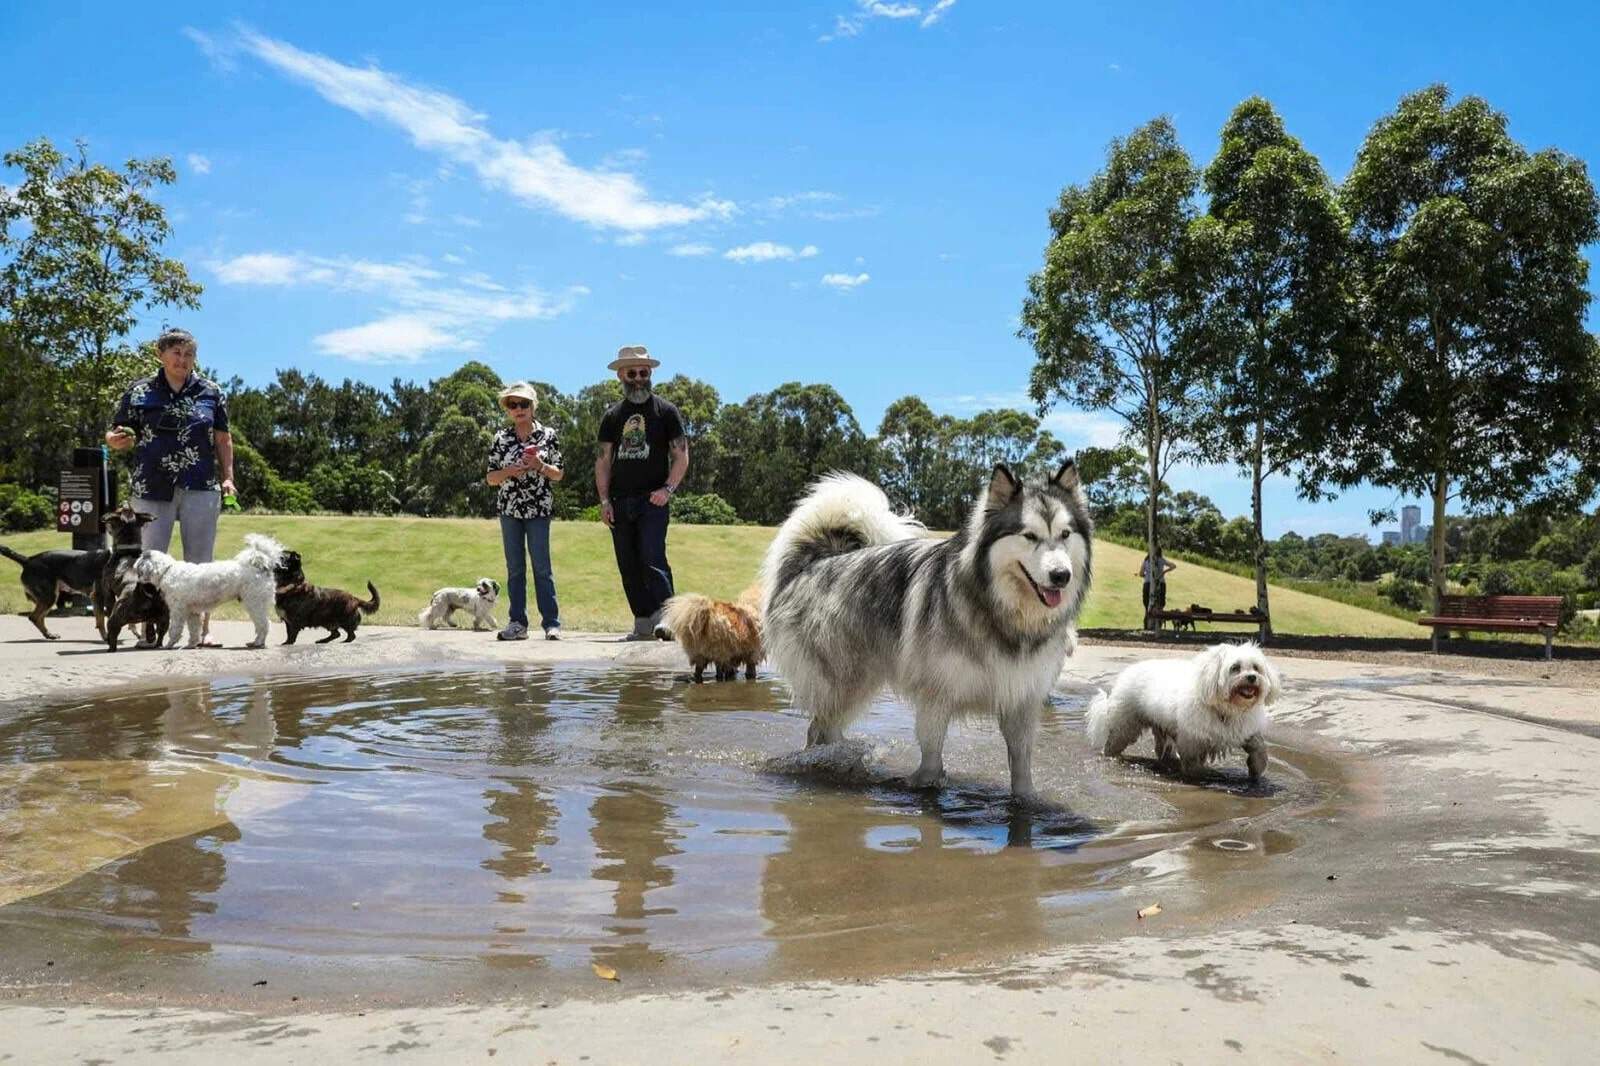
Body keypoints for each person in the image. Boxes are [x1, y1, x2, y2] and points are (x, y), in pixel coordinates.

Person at [105, 327, 234, 646]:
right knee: (149, 561)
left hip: (201, 484)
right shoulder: (139, 391)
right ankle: (150, 629)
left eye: (189, 353)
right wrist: (113, 440)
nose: (183, 359)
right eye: (176, 352)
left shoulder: (211, 391)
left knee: (201, 563)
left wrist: (228, 477)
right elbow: (115, 434)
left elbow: (222, 438)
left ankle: (202, 632)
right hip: (151, 485)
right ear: (160, 354)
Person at [595, 345, 688, 640]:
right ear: (621, 375)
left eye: (644, 372)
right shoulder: (612, 416)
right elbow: (603, 461)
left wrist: (668, 490)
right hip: (620, 502)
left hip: (653, 500)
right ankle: (643, 623)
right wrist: (604, 500)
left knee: (652, 558)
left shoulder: (666, 412)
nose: (638, 378)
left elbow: (681, 456)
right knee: (628, 564)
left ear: (651, 374)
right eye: (632, 373)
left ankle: (669, 620)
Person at [485, 382, 564, 641]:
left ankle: (551, 624)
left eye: (523, 404)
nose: (518, 409)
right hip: (509, 510)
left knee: (542, 568)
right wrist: (510, 471)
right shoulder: (500, 438)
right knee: (515, 568)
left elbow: (559, 474)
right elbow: (490, 478)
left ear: (533, 406)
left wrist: (539, 465)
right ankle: (517, 624)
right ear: (508, 409)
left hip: (539, 509)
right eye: (512, 404)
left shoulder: (548, 435)